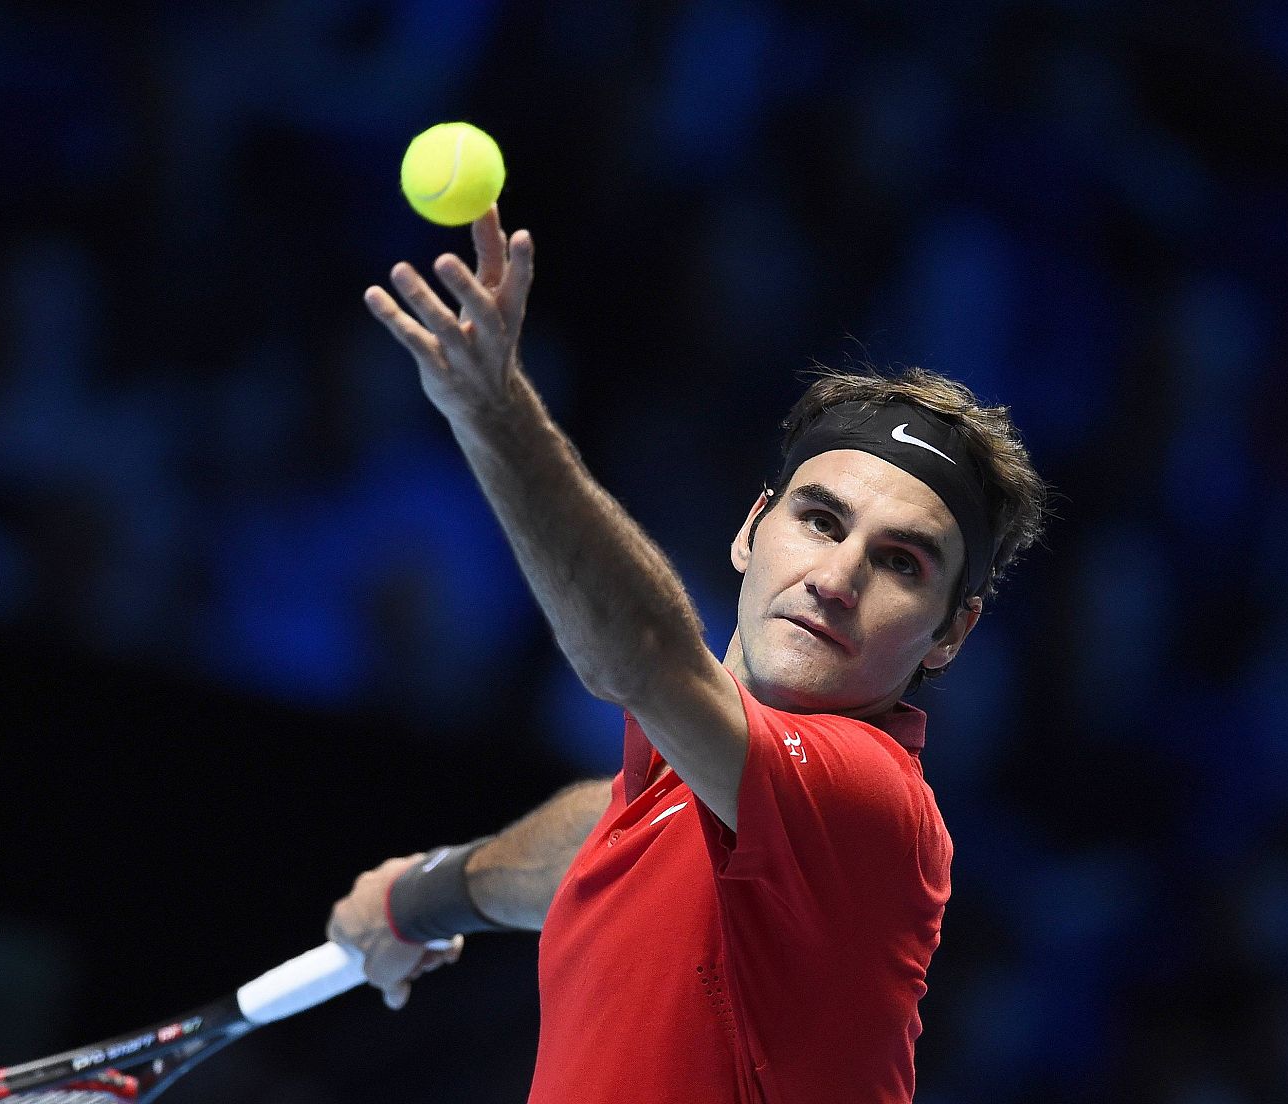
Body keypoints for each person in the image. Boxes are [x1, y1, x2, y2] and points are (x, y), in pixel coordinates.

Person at [326, 205, 1047, 1102]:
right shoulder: (692, 779)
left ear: (951, 633)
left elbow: (641, 656)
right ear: (752, 529)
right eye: (821, 520)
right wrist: (425, 897)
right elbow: (606, 833)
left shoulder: (871, 802)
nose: (836, 578)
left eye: (902, 563)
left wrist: (494, 412)